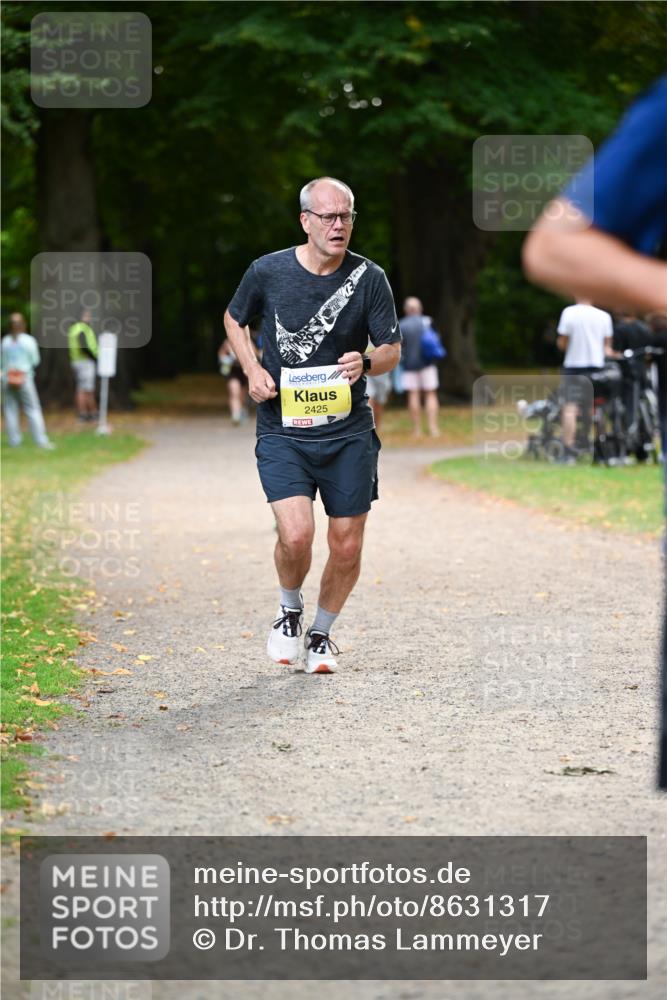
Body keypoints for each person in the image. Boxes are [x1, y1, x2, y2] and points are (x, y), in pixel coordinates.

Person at [522, 75, 667, 788]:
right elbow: (556, 245)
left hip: (583, 371)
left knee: (580, 408)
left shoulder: (580, 313)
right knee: (592, 404)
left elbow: (567, 343)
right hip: (602, 368)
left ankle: (576, 446)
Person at [223, 176, 401, 674]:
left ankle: (321, 633)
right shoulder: (268, 270)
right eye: (328, 217)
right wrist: (253, 369)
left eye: (346, 216)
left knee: (346, 541)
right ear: (306, 221)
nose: (339, 225)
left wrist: (365, 363)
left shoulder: (370, 278)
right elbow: (234, 319)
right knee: (297, 535)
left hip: (348, 433)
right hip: (283, 428)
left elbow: (391, 350)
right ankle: (288, 610)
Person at [555, 299, 615, 460]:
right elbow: (607, 345)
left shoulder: (569, 313)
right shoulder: (604, 316)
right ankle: (599, 450)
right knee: (596, 408)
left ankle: (568, 452)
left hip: (574, 366)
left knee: (570, 409)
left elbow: (563, 342)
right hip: (597, 367)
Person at [1, 312, 54, 450]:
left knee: (10, 409)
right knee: (32, 408)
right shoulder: (28, 340)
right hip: (24, 378)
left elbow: (2, 362)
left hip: (7, 378)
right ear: (23, 324)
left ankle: (14, 441)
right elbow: (35, 360)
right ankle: (41, 441)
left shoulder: (5, 341)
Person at [398, 296, 440, 438]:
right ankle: (433, 428)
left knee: (413, 395)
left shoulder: (401, 325)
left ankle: (417, 430)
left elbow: (399, 348)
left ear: (406, 310)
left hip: (409, 366)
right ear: (420, 308)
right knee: (430, 394)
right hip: (428, 364)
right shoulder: (427, 321)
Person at [68, 309, 98, 421]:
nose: (88, 318)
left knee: (81, 388)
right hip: (85, 362)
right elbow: (84, 346)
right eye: (86, 315)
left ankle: (83, 413)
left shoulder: (73, 329)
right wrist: (95, 357)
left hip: (76, 361)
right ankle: (92, 413)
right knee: (88, 389)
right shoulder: (82, 329)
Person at [218, 336, 255, 425]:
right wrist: (226, 359)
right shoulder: (227, 342)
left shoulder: (247, 342)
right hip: (232, 372)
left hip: (244, 372)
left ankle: (242, 410)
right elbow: (220, 355)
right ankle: (235, 415)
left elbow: (255, 354)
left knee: (242, 395)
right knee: (234, 392)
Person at [365, 346, 393, 431]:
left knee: (379, 403)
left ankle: (376, 429)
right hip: (364, 367)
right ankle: (369, 429)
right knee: (369, 397)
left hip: (381, 370)